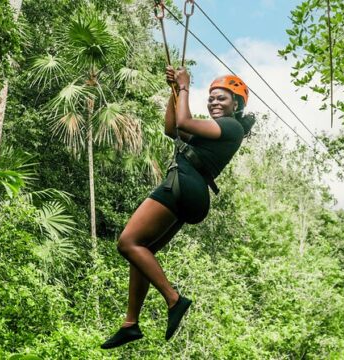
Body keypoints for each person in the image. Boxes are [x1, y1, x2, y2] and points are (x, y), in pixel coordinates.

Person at [101, 66, 255, 349]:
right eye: (211, 98)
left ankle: (174, 299)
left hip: (183, 185)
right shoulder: (210, 131)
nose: (214, 102)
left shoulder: (231, 127)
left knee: (127, 243)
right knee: (141, 253)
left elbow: (184, 122)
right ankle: (130, 324)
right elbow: (172, 128)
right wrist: (175, 91)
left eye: (222, 98)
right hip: (191, 193)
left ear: (236, 104)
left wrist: (185, 87)